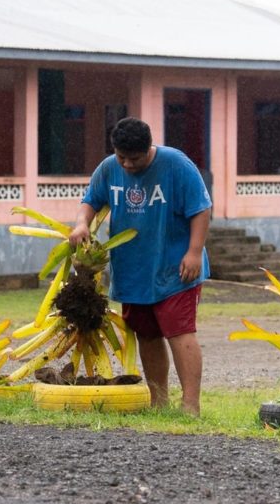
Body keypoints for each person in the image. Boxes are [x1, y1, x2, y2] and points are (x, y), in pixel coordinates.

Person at [68, 117, 211, 416]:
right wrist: (82, 222)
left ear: (149, 148)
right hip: (133, 269)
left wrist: (194, 252)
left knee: (180, 332)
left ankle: (190, 406)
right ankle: (159, 401)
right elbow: (91, 200)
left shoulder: (177, 165)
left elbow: (200, 208)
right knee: (147, 334)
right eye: (122, 158)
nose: (128, 165)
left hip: (175, 267)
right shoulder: (109, 168)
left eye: (135, 159)